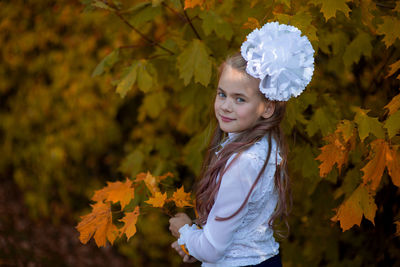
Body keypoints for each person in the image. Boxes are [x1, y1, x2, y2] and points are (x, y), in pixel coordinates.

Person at [169, 22, 315, 267]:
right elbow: (227, 233)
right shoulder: (262, 145)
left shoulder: (244, 162)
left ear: (268, 108)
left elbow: (213, 249)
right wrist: (194, 243)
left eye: (240, 99)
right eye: (222, 94)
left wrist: (184, 231)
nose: (226, 106)